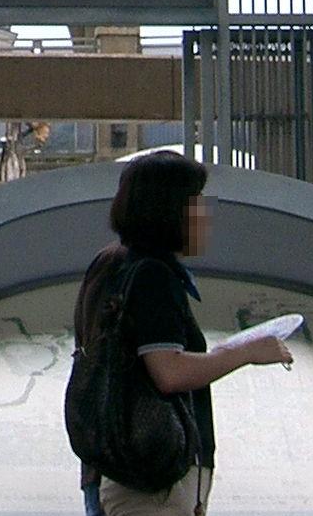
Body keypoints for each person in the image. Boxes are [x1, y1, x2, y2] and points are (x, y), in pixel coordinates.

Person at [72, 151, 293, 516]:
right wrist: (246, 353)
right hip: (150, 481)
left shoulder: (110, 263)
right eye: (197, 204)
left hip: (107, 465)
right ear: (170, 210)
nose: (205, 216)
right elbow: (168, 372)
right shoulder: (152, 276)